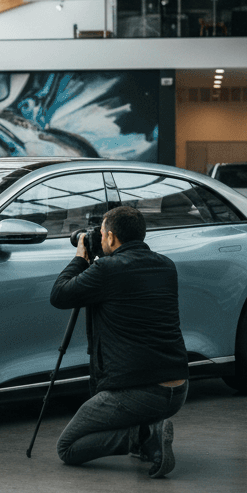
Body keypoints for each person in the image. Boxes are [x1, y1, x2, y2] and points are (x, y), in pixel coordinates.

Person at [49, 205, 189, 478]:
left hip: (140, 394)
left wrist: (80, 256)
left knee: (67, 448)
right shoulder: (166, 266)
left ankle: (144, 436)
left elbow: (59, 295)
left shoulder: (107, 271)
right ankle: (149, 434)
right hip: (178, 389)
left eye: (102, 234)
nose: (100, 240)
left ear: (111, 238)